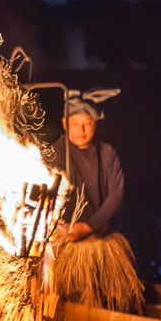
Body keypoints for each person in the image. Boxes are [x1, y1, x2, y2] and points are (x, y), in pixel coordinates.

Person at [52, 92, 125, 241]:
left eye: (87, 123)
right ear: (65, 123)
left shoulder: (106, 152)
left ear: (95, 124)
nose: (81, 130)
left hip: (98, 236)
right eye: (75, 124)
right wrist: (59, 225)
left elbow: (116, 195)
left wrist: (89, 226)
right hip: (63, 236)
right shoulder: (55, 152)